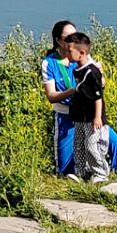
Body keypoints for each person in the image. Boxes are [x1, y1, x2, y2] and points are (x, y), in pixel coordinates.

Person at [65, 33, 110, 183]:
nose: (67, 54)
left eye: (70, 51)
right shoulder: (78, 69)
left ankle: (100, 173)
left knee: (92, 145)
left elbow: (98, 96)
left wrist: (97, 117)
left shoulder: (92, 72)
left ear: (82, 52)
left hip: (92, 117)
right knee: (78, 144)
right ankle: (81, 172)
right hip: (80, 115)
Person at [41, 20, 79, 175]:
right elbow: (51, 96)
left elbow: (99, 82)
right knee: (64, 170)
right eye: (68, 38)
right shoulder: (49, 63)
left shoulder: (81, 56)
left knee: (115, 146)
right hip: (65, 116)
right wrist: (72, 91)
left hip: (86, 114)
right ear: (58, 41)